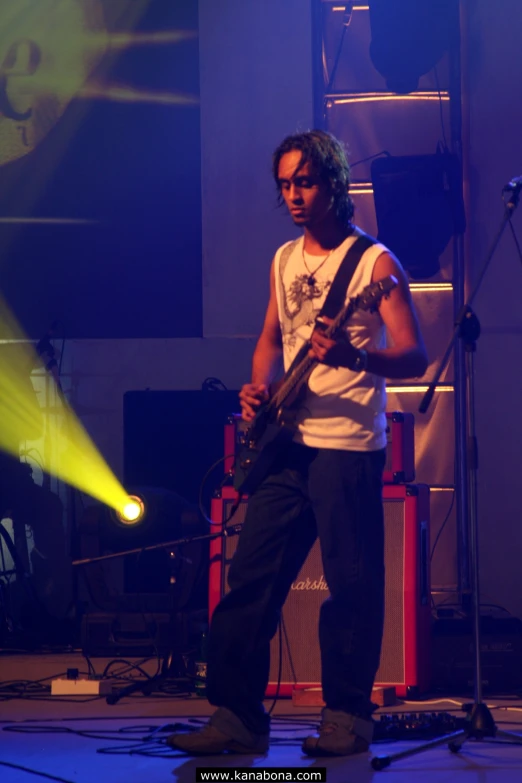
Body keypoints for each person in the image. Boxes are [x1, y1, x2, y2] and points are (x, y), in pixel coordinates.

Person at [168, 130, 428, 757]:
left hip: (347, 449)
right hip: (286, 442)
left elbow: (415, 353)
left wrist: (355, 354)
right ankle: (237, 717)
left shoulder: (374, 265)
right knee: (249, 580)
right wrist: (257, 388)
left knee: (352, 587)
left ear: (333, 184)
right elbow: (269, 337)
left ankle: (345, 719)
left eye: (304, 182)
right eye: (284, 184)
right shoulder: (284, 258)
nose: (293, 195)